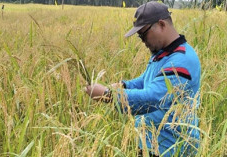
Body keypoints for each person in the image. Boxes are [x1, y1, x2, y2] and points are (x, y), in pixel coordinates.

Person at [85, 2, 201, 156]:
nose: (142, 40)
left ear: (161, 24)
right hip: (151, 144)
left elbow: (152, 98)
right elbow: (146, 80)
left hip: (171, 149)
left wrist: (108, 95)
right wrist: (122, 85)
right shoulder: (161, 54)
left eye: (143, 34)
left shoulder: (182, 61)